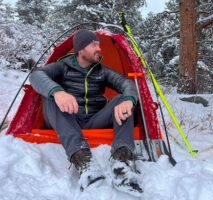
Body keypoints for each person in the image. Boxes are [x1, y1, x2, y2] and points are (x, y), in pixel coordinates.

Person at [30, 29, 142, 194]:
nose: (99, 49)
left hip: (93, 120)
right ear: (80, 50)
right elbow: (36, 76)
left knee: (122, 101)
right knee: (50, 96)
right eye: (94, 45)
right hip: (66, 120)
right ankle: (84, 161)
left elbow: (126, 83)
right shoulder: (62, 67)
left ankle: (122, 162)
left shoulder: (102, 71)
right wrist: (58, 92)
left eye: (99, 45)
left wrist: (128, 100)